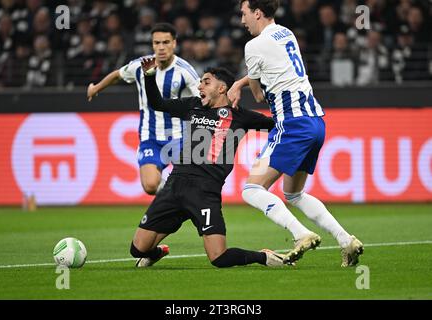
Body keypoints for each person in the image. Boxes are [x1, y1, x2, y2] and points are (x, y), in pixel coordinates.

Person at [227, 0, 363, 267]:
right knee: (293, 194)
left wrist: (242, 84)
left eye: (244, 14)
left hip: (291, 124)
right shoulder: (285, 33)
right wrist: (242, 80)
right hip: (315, 121)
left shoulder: (252, 46)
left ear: (257, 13)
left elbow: (257, 94)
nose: (242, 21)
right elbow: (274, 70)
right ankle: (346, 240)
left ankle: (301, 234)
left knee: (252, 189)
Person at [130, 59, 286, 268]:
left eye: (206, 82)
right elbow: (158, 103)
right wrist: (149, 76)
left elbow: (279, 124)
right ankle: (158, 251)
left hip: (205, 192)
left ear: (222, 88)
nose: (199, 86)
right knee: (137, 249)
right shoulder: (191, 105)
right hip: (174, 186)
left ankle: (263, 256)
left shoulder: (240, 116)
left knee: (219, 258)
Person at [87, 23, 200, 195]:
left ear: (174, 43)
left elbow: (203, 95)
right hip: (151, 136)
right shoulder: (141, 65)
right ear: (152, 44)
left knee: (190, 183)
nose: (161, 47)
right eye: (157, 43)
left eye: (166, 42)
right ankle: (171, 194)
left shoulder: (185, 71)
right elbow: (117, 75)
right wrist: (96, 88)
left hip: (179, 137)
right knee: (150, 186)